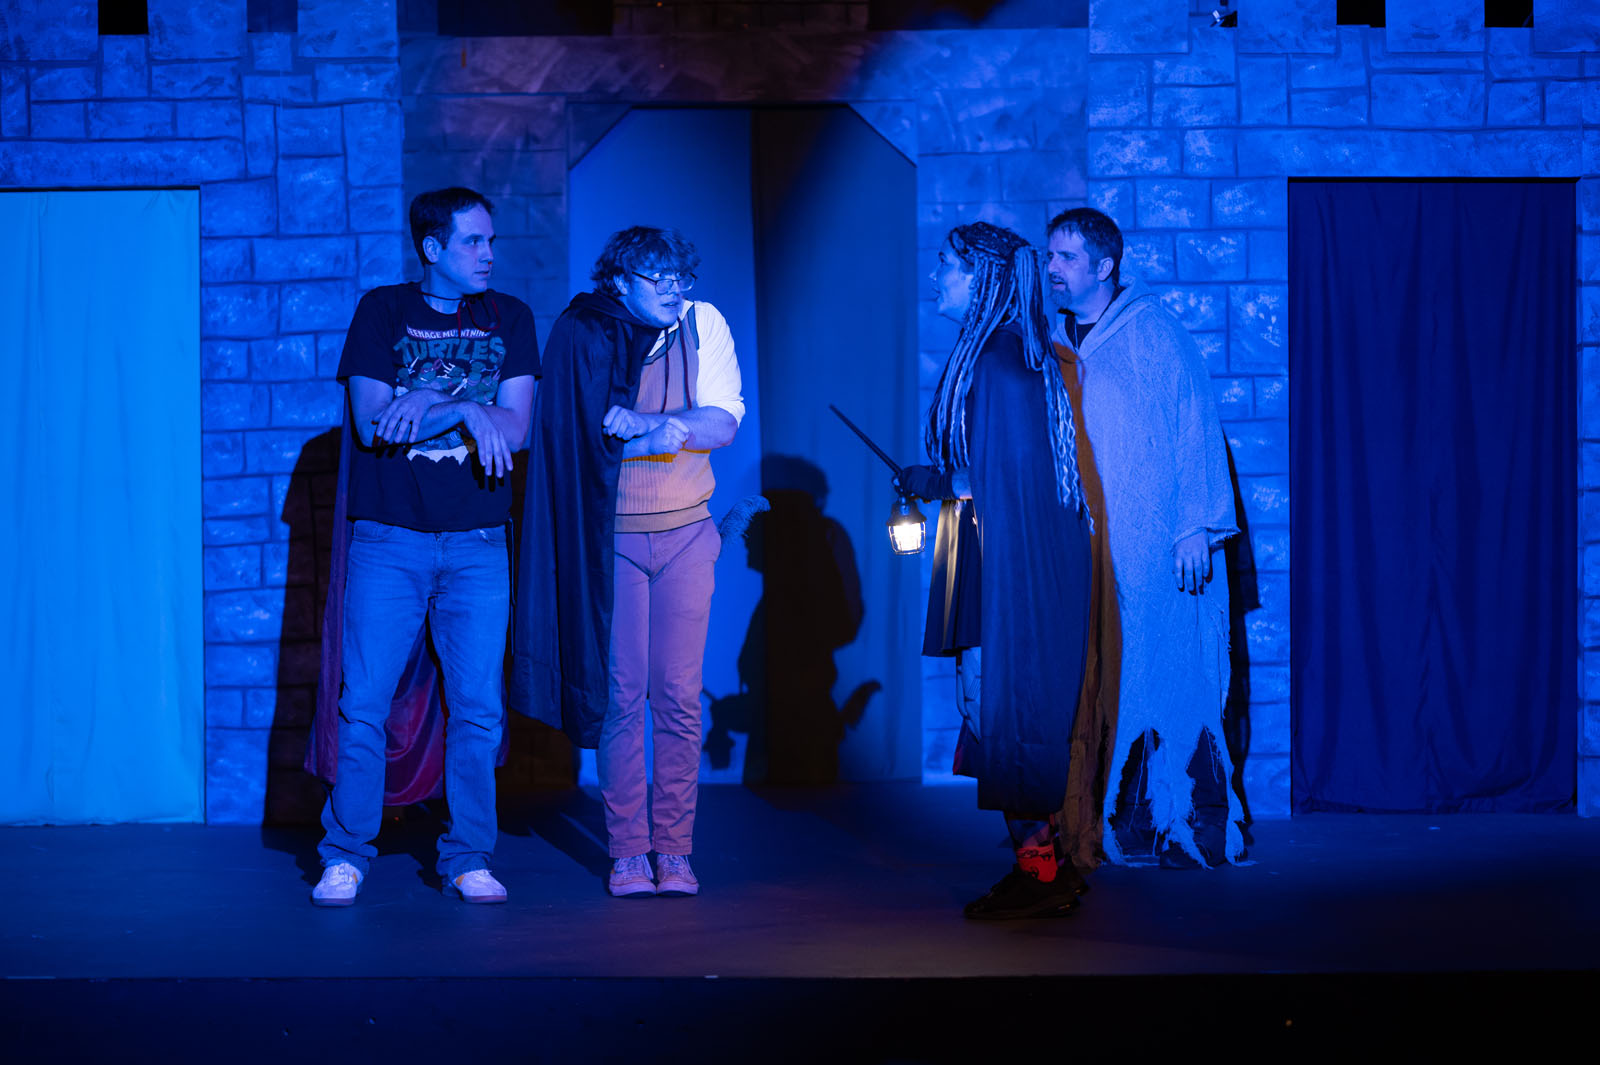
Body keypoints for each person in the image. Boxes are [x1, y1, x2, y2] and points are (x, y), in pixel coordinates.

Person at [310, 187, 537, 906]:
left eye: (491, 241)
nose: (488, 254)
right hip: (389, 540)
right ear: (432, 248)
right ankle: (346, 853)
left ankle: (468, 856)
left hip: (478, 543)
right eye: (473, 241)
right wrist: (468, 410)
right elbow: (374, 422)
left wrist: (446, 404)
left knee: (478, 709)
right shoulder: (382, 311)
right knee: (364, 705)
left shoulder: (511, 318)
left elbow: (516, 428)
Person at [511, 226, 743, 898]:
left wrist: (668, 427)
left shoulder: (702, 323)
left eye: (679, 276)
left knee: (678, 698)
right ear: (618, 281)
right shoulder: (585, 334)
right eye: (657, 278)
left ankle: (674, 849)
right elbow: (577, 437)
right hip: (611, 540)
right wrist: (646, 431)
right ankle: (628, 851)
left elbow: (724, 420)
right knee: (620, 696)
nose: (673, 289)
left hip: (685, 534)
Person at [896, 222, 1093, 919]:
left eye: (946, 266)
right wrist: (941, 480)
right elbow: (993, 474)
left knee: (1001, 707)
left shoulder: (1002, 364)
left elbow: (1008, 485)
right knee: (991, 708)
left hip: (1006, 565)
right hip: (988, 552)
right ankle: (1044, 867)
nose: (936, 278)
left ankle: (1042, 875)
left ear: (981, 278)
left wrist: (941, 481)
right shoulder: (1003, 356)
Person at [1045, 207, 1244, 866]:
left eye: (1067, 257)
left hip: (1159, 540)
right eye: (1050, 255)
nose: (1053, 268)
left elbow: (1195, 423)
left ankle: (1197, 823)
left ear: (1104, 266)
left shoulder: (1153, 331)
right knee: (1117, 675)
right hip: (1095, 548)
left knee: (1178, 670)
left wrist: (1195, 526)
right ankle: (1128, 821)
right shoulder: (1059, 340)